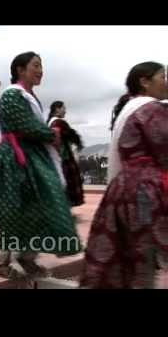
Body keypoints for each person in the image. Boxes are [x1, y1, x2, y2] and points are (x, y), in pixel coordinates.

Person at [0, 52, 81, 279]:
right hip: (16, 157)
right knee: (15, 209)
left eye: (41, 66)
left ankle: (27, 256)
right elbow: (26, 125)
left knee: (37, 208)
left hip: (32, 156)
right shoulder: (12, 95)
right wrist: (52, 133)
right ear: (20, 70)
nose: (41, 70)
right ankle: (0, 261)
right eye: (36, 65)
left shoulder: (29, 96)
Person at [80, 62, 168, 289]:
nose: (165, 82)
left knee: (137, 253)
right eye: (162, 76)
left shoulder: (127, 108)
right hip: (145, 192)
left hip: (124, 189)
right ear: (144, 81)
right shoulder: (151, 108)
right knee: (145, 250)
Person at [47, 101, 85, 208]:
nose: (65, 111)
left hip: (54, 158)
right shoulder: (59, 123)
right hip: (64, 159)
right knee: (66, 185)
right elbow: (73, 136)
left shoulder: (50, 122)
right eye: (63, 108)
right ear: (57, 109)